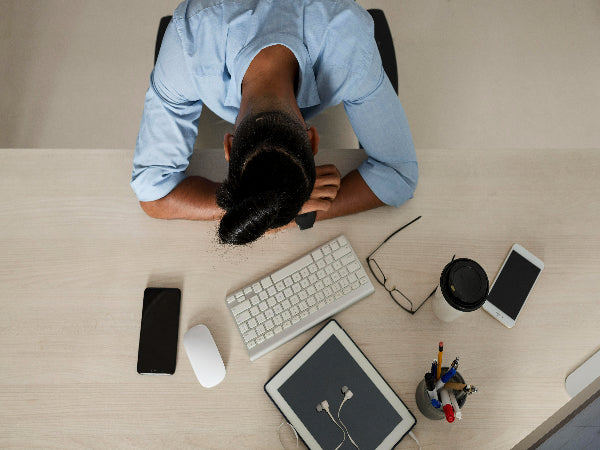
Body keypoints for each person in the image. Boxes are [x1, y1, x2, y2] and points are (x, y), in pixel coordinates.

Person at [131, 0, 418, 245]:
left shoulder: (351, 43)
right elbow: (153, 198)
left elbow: (399, 176)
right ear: (313, 139)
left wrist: (269, 211)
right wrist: (282, 212)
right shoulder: (187, 43)